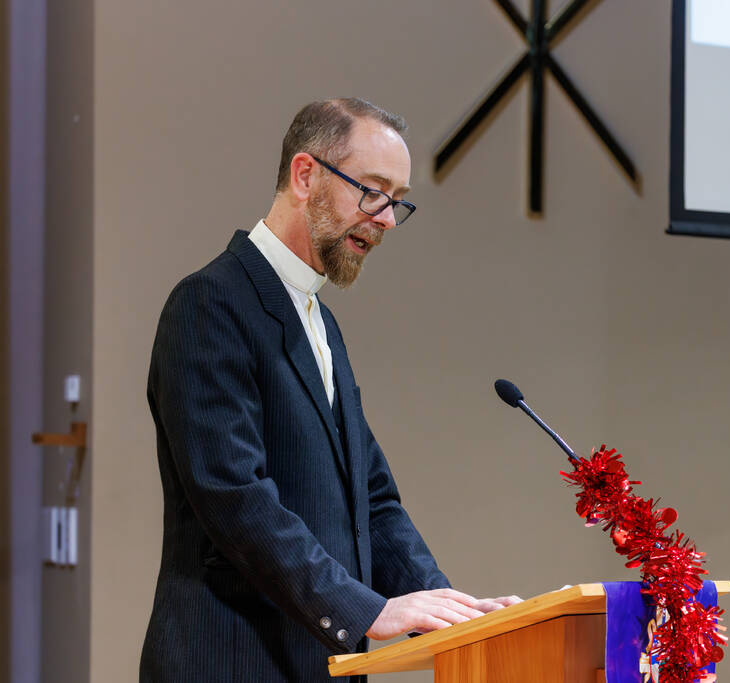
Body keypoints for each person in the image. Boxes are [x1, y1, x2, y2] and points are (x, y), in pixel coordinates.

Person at [140, 98, 518, 682]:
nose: (388, 218)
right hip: (231, 659)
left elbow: (373, 498)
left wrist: (454, 612)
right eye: (372, 190)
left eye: (398, 200)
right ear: (305, 174)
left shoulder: (319, 320)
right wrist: (365, 610)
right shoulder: (210, 304)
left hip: (317, 662)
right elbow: (235, 497)